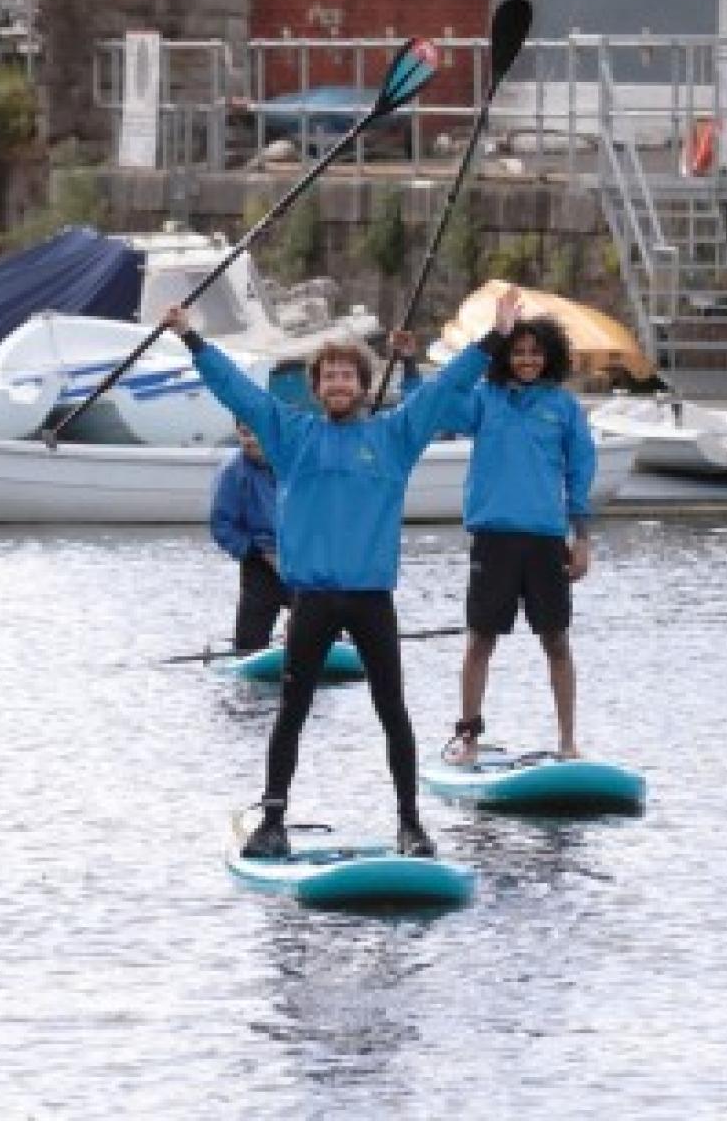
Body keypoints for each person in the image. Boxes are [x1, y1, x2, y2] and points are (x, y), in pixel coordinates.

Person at [163, 305, 512, 859]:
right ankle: (272, 820)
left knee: (392, 711)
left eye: (348, 376)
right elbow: (237, 391)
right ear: (317, 388)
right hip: (312, 600)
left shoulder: (396, 436)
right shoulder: (290, 436)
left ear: (363, 386)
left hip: (371, 600)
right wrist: (191, 337)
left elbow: (447, 386)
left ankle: (410, 825)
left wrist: (494, 338)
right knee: (292, 710)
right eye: (329, 377)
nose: (339, 384)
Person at [428, 288, 597, 764]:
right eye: (518, 351)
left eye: (535, 352)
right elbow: (440, 400)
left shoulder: (564, 407)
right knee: (480, 640)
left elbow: (580, 471)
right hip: (493, 539)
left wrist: (582, 537)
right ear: (505, 356)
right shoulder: (484, 400)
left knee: (557, 641)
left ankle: (568, 741)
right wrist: (484, 342)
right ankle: (468, 737)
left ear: (549, 356)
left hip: (546, 540)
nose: (527, 360)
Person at [210, 422, 288, 653]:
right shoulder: (232, 472)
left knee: (324, 630)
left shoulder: (297, 461)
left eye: (257, 432)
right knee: (248, 644)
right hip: (259, 564)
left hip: (304, 563)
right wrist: (259, 551)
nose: (252, 440)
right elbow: (222, 526)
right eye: (245, 434)